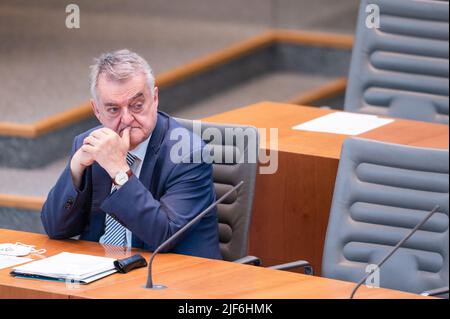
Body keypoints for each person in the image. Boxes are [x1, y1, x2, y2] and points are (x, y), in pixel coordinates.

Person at [41, 49, 222, 259]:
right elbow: (55, 229)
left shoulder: (188, 154)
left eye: (137, 106)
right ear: (96, 110)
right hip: (100, 273)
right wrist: (76, 169)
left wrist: (118, 170)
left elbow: (164, 237)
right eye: (113, 110)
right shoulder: (90, 144)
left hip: (172, 280)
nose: (127, 119)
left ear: (154, 98)